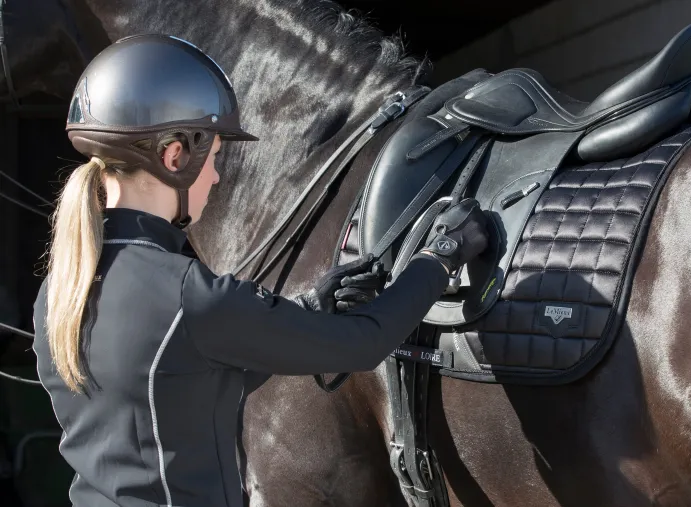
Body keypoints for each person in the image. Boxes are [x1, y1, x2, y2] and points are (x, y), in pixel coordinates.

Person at [32, 34, 489, 507]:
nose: (215, 177)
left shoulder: (59, 291)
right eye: (214, 158)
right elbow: (365, 343)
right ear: (175, 157)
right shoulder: (187, 293)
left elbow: (189, 381)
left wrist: (307, 308)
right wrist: (439, 257)